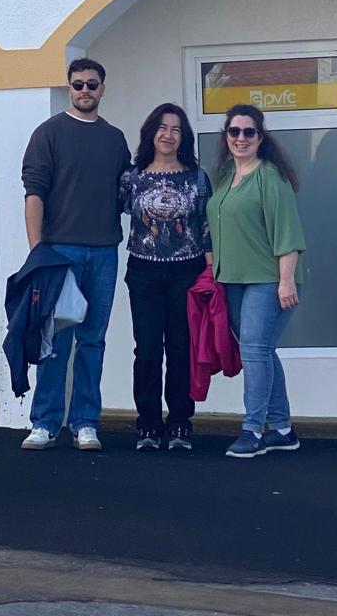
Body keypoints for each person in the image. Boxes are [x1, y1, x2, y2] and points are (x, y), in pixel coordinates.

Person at [19, 57, 131, 451]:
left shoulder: (115, 139)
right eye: (78, 84)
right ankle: (45, 423)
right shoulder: (48, 133)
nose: (85, 90)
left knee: (92, 341)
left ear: (102, 89)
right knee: (55, 340)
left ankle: (86, 423)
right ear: (69, 88)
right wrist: (37, 253)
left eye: (92, 84)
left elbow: (127, 193)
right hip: (59, 253)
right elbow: (34, 194)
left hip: (104, 253)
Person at [207, 102, 305, 459]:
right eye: (234, 131)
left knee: (253, 350)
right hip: (233, 280)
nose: (241, 138)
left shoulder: (270, 177)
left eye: (249, 132)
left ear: (260, 137)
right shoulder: (225, 178)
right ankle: (282, 429)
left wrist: (286, 280)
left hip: (268, 279)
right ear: (226, 136)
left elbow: (287, 232)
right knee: (261, 350)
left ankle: (252, 430)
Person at [119, 103, 212, 453]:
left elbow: (207, 228)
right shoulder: (132, 178)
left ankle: (180, 423)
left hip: (186, 273)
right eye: (162, 127)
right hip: (143, 273)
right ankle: (148, 422)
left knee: (180, 348)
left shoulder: (197, 178)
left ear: (183, 137)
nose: (168, 135)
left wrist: (211, 271)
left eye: (175, 129)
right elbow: (108, 213)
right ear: (150, 133)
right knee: (146, 349)